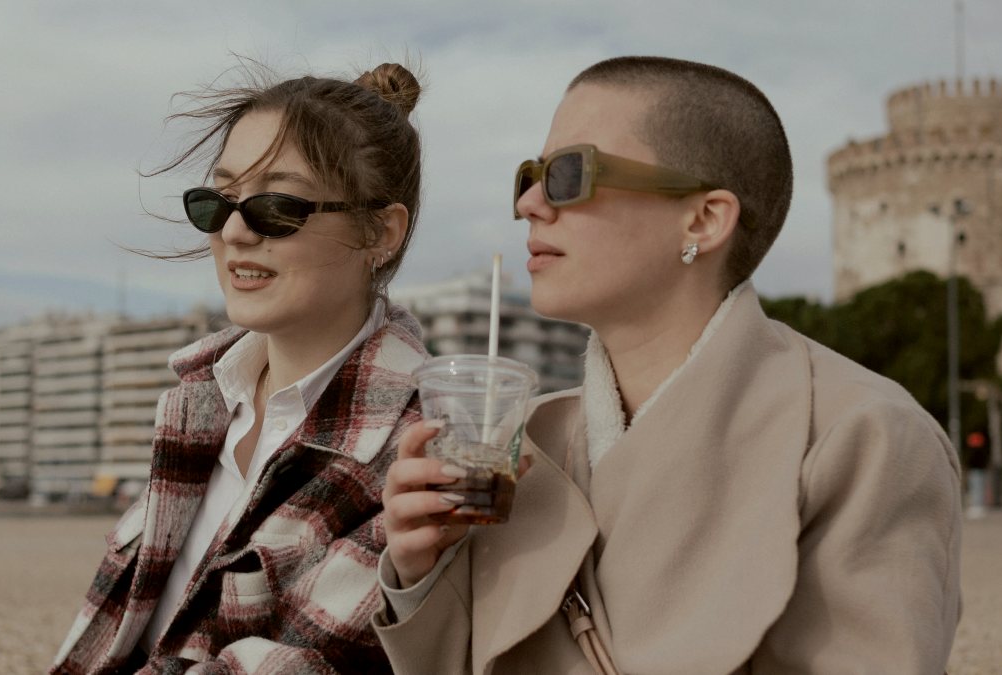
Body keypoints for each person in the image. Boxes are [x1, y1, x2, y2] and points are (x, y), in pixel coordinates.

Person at [375, 56, 962, 673]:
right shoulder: (530, 444)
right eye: (529, 175)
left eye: (568, 174)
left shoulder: (862, 437)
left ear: (703, 220)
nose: (528, 203)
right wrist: (422, 571)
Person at [51, 62, 429, 674]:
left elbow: (300, 661)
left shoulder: (421, 441)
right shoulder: (198, 399)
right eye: (218, 201)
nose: (233, 231)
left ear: (380, 232)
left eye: (277, 206)